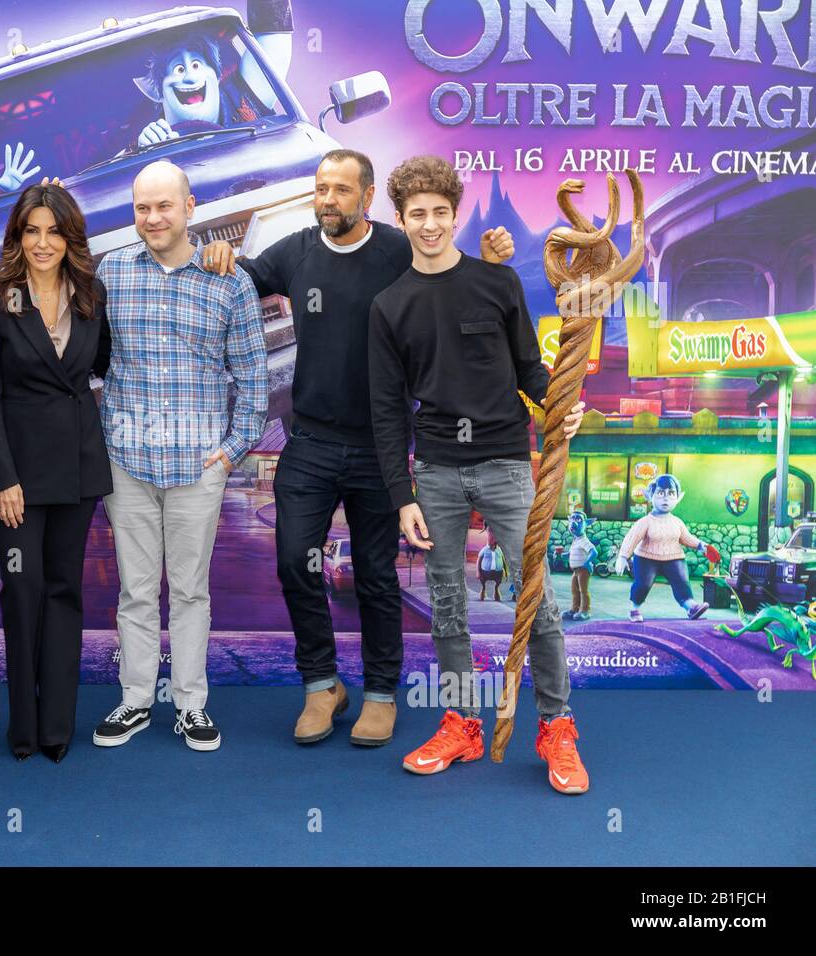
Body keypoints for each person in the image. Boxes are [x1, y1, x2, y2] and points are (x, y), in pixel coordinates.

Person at [200, 149, 517, 747]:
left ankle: (378, 693)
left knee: (375, 575)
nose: (328, 200)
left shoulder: (399, 251)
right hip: (310, 441)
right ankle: (321, 685)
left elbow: (456, 276)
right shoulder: (296, 251)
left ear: (367, 198)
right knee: (295, 560)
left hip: (380, 445)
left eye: (342, 190)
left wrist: (494, 256)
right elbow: (242, 274)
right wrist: (219, 257)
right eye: (321, 188)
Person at [368, 155, 589, 795]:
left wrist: (557, 409)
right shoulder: (389, 305)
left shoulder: (496, 284)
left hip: (505, 464)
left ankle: (557, 727)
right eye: (418, 215)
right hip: (434, 470)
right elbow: (386, 411)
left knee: (537, 601)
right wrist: (401, 493)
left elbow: (529, 369)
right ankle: (463, 721)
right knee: (446, 608)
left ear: (455, 214)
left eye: (441, 213)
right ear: (401, 219)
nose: (430, 225)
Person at [92, 160, 267, 752]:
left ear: (190, 208)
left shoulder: (230, 280)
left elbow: (252, 377)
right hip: (127, 462)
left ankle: (191, 705)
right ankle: (136, 700)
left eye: (164, 206)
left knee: (190, 591)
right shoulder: (110, 274)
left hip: (200, 468)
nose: (153, 218)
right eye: (142, 207)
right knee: (137, 592)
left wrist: (229, 452)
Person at [0, 183, 112, 763]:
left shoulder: (91, 294)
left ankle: (57, 726)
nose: (43, 242)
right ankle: (22, 727)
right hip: (18, 478)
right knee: (22, 590)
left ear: (69, 237)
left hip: (78, 469)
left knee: (65, 592)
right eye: (32, 230)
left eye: (54, 231)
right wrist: (2, 477)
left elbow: (97, 367)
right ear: (17, 236)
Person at [615, 474, 716, 621]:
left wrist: (701, 545)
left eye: (671, 494)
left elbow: (687, 538)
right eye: (660, 493)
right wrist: (623, 557)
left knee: (682, 582)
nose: (665, 498)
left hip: (674, 558)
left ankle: (690, 606)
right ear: (651, 496)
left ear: (678, 498)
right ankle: (634, 608)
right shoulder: (645, 522)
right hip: (646, 558)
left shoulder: (677, 522)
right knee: (643, 585)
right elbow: (632, 538)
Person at [476, 530, 505, 601]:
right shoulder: (484, 550)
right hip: (485, 572)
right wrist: (478, 571)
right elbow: (479, 560)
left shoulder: (499, 550)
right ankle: (483, 588)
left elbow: (503, 559)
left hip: (498, 572)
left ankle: (496, 589)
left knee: (498, 581)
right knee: (483, 581)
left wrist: (504, 571)